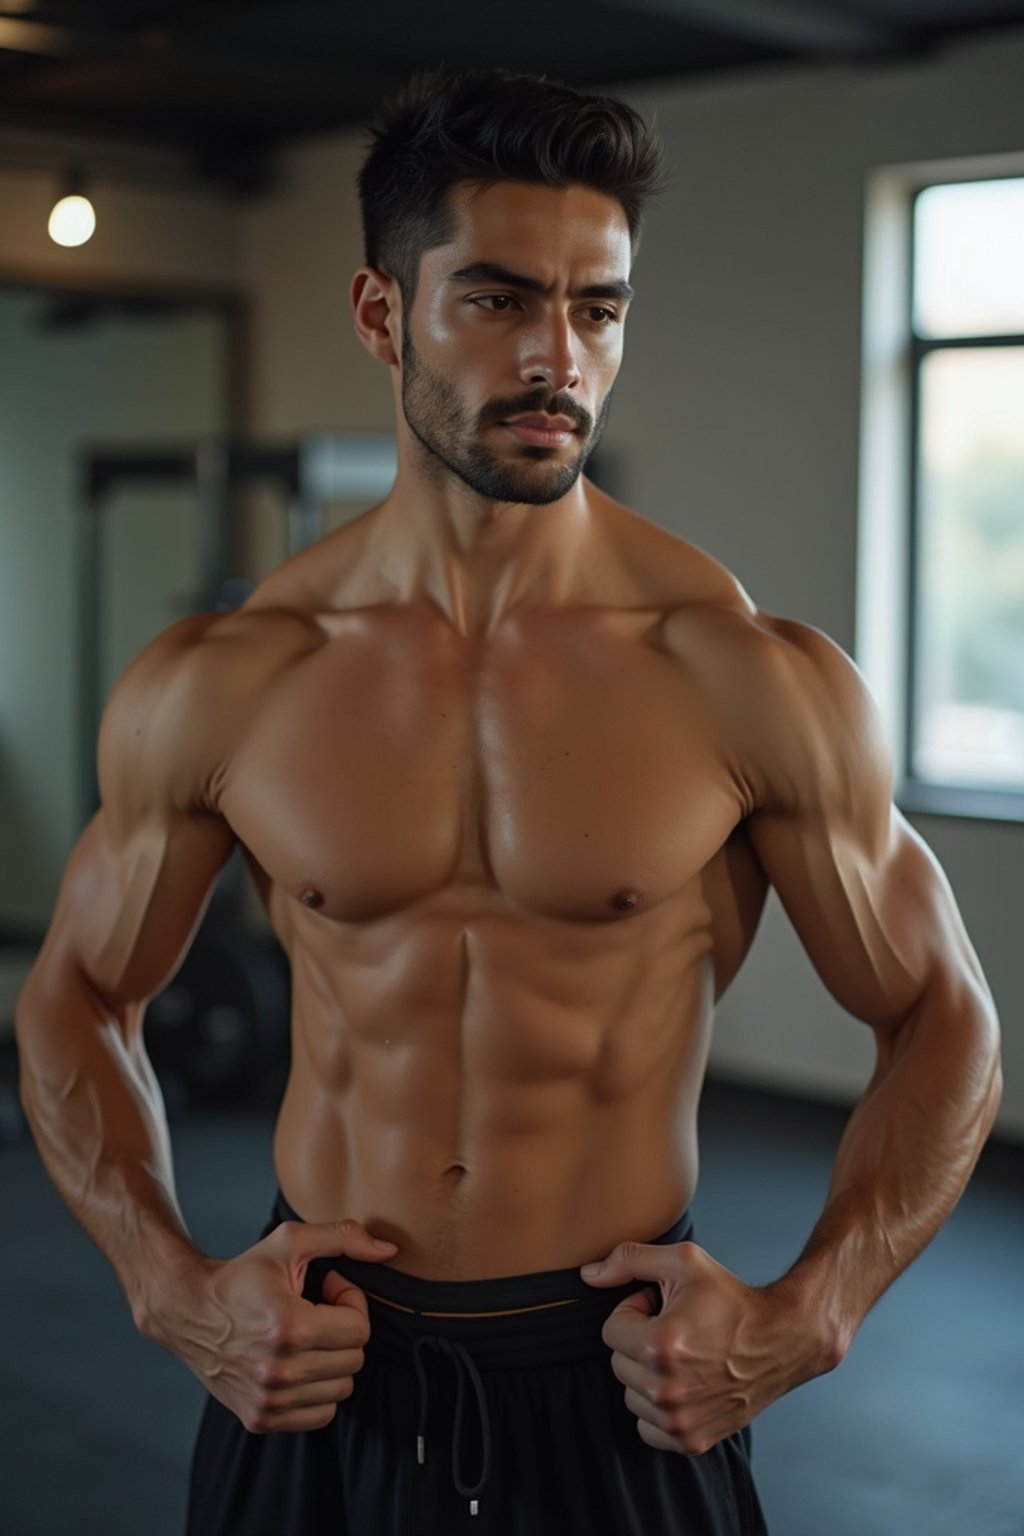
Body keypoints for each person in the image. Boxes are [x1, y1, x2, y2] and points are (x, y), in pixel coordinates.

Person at [15, 66, 1002, 1536]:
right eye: (495, 299)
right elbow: (77, 992)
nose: (558, 356)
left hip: (615, 1377)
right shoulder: (232, 678)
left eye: (596, 308)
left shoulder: (744, 677)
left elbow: (946, 1016)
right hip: (319, 1365)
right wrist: (170, 1287)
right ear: (380, 315)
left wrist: (813, 1311)